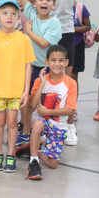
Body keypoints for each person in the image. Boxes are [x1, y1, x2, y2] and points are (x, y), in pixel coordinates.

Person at [7, 0, 61, 152]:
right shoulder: (30, 11)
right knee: (26, 100)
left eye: (48, 0)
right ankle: (26, 130)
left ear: (53, 5)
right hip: (27, 66)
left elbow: (44, 43)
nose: (44, 2)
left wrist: (28, 32)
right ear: (35, 3)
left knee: (41, 101)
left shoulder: (54, 24)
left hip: (44, 68)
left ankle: (43, 131)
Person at [0, 0, 35, 173]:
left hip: (16, 92)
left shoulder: (24, 39)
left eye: (13, 13)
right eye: (4, 13)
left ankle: (10, 154)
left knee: (12, 122)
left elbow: (28, 66)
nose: (9, 17)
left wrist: (26, 91)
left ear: (19, 16)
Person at [26, 45, 77, 180]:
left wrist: (48, 111)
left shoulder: (71, 83)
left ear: (66, 62)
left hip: (58, 125)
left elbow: (70, 109)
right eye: (53, 60)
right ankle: (33, 161)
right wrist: (42, 84)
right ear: (47, 62)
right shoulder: (39, 80)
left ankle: (35, 150)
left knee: (53, 164)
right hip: (41, 121)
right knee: (37, 124)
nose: (57, 64)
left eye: (61, 60)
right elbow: (32, 104)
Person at [69, 0, 91, 144]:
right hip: (61, 43)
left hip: (77, 45)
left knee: (73, 77)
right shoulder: (55, 5)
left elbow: (87, 26)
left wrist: (73, 29)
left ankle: (72, 108)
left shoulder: (81, 8)